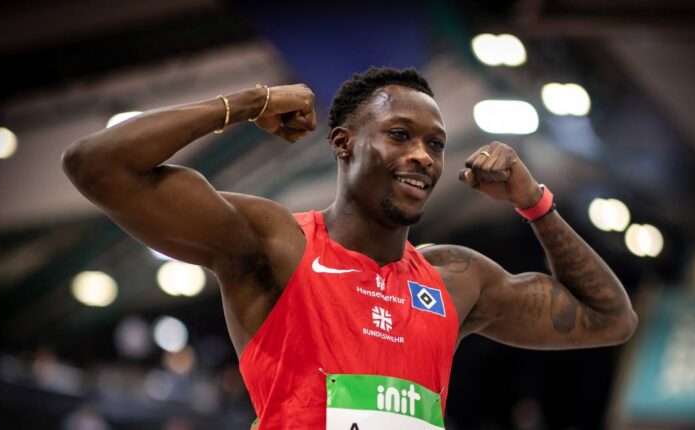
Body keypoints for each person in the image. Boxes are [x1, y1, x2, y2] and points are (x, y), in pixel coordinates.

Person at [62, 67, 637, 429]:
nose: (423, 156)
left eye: (434, 144)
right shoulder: (273, 243)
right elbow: (96, 165)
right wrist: (246, 103)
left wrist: (534, 201)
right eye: (399, 135)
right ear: (343, 144)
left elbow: (611, 318)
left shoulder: (457, 279)